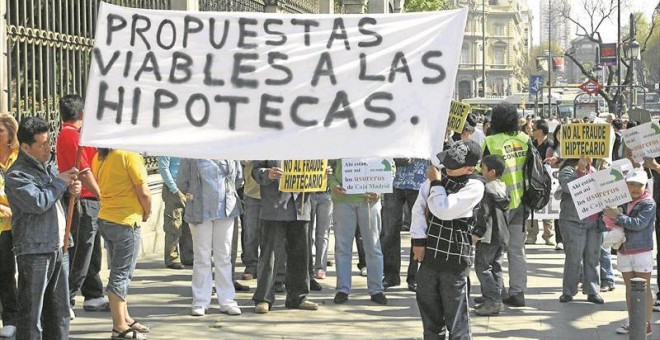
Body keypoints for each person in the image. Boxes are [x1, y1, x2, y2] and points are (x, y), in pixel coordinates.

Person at [6, 116, 81, 339]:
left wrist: (71, 189)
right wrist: (61, 182)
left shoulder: (49, 166)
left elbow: (56, 197)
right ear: (26, 147)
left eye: (49, 142)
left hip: (59, 246)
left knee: (59, 312)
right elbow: (38, 202)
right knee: (32, 315)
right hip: (35, 250)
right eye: (42, 144)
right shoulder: (17, 174)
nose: (48, 148)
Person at [411, 140, 485, 339]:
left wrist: (436, 183)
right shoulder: (436, 176)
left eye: (453, 166)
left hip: (454, 259)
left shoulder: (475, 185)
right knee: (430, 319)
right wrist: (417, 240)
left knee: (457, 322)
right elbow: (419, 208)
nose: (447, 168)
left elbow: (443, 209)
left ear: (469, 168)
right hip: (429, 256)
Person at [55, 94, 109, 317]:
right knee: (80, 252)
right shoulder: (69, 135)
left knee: (92, 249)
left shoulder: (77, 134)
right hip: (83, 199)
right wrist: (100, 195)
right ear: (82, 114)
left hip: (89, 200)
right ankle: (65, 297)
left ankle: (93, 292)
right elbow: (84, 172)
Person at [93, 148, 151, 339]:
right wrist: (147, 212)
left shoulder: (100, 156)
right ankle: (119, 326)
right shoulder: (129, 155)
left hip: (106, 218)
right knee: (121, 275)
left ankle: (124, 318)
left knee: (118, 271)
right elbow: (143, 192)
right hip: (126, 221)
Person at [177, 159, 243, 316]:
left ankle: (227, 300)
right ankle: (200, 301)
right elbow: (182, 181)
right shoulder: (191, 155)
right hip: (200, 211)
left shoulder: (230, 151)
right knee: (202, 256)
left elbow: (239, 179)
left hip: (226, 210)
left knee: (224, 256)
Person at [251, 160, 318, 313]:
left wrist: (322, 175)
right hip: (274, 207)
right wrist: (268, 174)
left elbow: (317, 166)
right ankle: (263, 298)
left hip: (301, 206)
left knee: (300, 255)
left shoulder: (306, 142)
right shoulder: (268, 140)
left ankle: (298, 297)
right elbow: (254, 171)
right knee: (270, 255)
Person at [483, 103, 529, 307]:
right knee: (517, 249)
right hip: (521, 202)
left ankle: (495, 292)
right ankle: (518, 292)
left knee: (495, 249)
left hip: (497, 204)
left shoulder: (491, 141)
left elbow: (481, 169)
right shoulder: (525, 140)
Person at [329, 159, 388, 305]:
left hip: (369, 200)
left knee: (373, 247)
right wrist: (333, 185)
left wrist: (381, 188)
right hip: (343, 199)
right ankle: (342, 289)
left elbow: (389, 165)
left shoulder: (377, 137)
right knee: (342, 247)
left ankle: (376, 289)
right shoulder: (337, 138)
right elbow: (328, 167)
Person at [605, 169, 655, 335]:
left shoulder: (648, 203)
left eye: (638, 185)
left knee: (644, 288)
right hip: (624, 249)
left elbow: (638, 223)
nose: (634, 188)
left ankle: (645, 323)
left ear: (645, 185)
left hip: (641, 251)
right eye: (631, 184)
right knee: (629, 288)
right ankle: (633, 320)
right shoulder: (622, 201)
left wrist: (617, 216)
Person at [557, 156, 603, 305]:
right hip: (573, 221)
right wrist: (580, 171)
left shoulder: (595, 171)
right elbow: (567, 187)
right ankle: (569, 291)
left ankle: (593, 291)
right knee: (573, 258)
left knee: (593, 258)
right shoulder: (567, 170)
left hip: (593, 222)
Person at [381, 158, 428, 292]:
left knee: (418, 231)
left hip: (419, 181)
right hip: (393, 182)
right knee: (390, 231)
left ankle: (414, 278)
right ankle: (391, 276)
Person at [472, 154, 509, 316]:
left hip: (488, 235)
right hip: (502, 235)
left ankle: (493, 300)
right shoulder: (504, 188)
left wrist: (477, 233)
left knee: (482, 267)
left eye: (484, 168)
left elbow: (483, 213)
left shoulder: (486, 190)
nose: (481, 170)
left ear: (492, 172)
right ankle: (493, 297)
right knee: (496, 267)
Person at [0, 113, 19, 338]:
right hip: (2, 226)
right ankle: (10, 318)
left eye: (1, 131)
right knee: (4, 272)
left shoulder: (19, 156)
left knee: (23, 273)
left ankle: (19, 316)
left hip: (22, 224)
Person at [158, 156, 193, 270]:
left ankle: (188, 255)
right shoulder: (167, 145)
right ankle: (172, 258)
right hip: (173, 188)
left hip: (189, 188)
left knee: (189, 223)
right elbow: (163, 168)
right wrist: (174, 189)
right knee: (173, 225)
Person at [526, 119, 555, 246]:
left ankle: (548, 235)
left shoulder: (551, 145)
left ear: (541, 131)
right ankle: (532, 234)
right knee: (532, 204)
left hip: (546, 180)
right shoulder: (530, 144)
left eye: (534, 129)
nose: (532, 131)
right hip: (533, 179)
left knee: (547, 205)